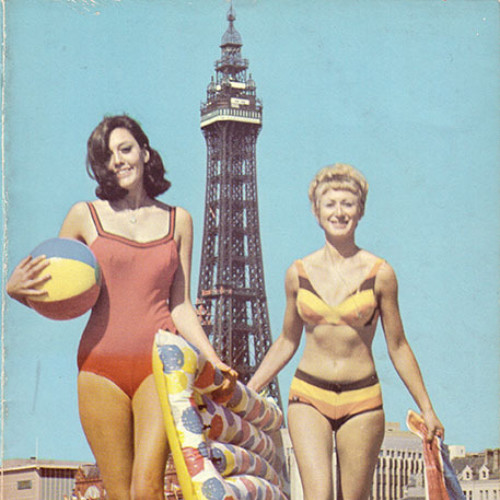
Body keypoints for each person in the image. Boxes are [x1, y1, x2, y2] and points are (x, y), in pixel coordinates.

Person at [6, 115, 237, 500]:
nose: (118, 160)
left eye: (125, 149)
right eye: (107, 155)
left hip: (159, 366)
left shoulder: (179, 220)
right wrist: (18, 292)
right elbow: (59, 292)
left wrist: (213, 357)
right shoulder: (84, 215)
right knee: (118, 493)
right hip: (99, 370)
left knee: (147, 488)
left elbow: (180, 304)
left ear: (145, 153)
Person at [247, 163, 443, 500]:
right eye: (331, 204)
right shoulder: (298, 272)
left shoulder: (380, 273)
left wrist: (426, 407)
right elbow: (287, 340)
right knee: (318, 495)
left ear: (361, 210)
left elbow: (397, 346)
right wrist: (249, 390)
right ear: (316, 211)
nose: (339, 212)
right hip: (308, 395)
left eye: (348, 204)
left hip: (362, 399)